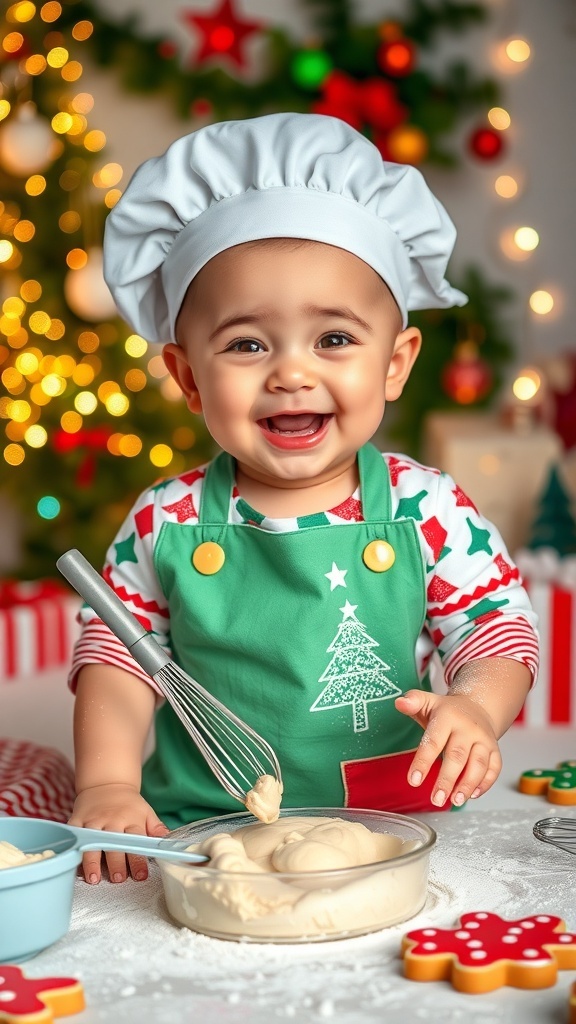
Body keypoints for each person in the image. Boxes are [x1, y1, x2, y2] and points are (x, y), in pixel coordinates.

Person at [67, 113, 539, 885]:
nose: (291, 372)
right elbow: (117, 661)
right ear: (187, 376)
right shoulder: (167, 520)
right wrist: (111, 785)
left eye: (334, 340)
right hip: (201, 836)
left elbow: (496, 630)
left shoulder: (427, 508)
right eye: (247, 344)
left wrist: (477, 708)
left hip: (399, 832)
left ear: (396, 362)